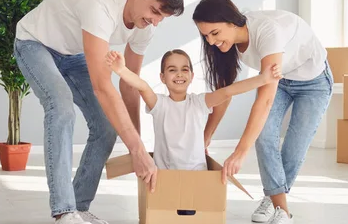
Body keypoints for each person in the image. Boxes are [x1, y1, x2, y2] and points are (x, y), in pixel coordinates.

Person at [13, 0, 184, 224]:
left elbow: (129, 84)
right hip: (34, 44)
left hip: (71, 54)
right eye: (154, 11)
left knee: (106, 127)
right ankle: (63, 214)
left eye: (161, 18)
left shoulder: (145, 26)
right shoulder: (100, 5)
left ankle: (79, 207)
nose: (154, 21)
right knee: (61, 106)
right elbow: (103, 86)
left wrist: (135, 144)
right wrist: (139, 152)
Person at [192, 0, 333, 224]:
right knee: (264, 136)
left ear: (231, 22)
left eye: (214, 33)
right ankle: (283, 210)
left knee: (293, 147)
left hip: (314, 83)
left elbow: (265, 100)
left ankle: (273, 199)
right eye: (206, 36)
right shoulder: (228, 45)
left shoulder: (267, 32)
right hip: (280, 78)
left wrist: (239, 152)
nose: (211, 41)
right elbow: (224, 94)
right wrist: (206, 136)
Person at [105, 49, 282, 172]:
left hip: (197, 174)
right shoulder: (159, 104)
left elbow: (228, 91)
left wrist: (263, 78)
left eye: (184, 69)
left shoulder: (199, 102)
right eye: (172, 70)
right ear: (162, 77)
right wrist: (121, 70)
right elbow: (142, 86)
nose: (179, 74)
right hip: (165, 176)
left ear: (191, 76)